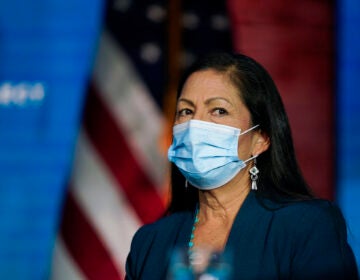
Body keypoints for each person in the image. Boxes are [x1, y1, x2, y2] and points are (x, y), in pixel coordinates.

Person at [125, 52, 358, 279]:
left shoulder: (307, 227)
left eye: (219, 111)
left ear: (261, 139)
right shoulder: (150, 243)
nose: (196, 125)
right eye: (186, 111)